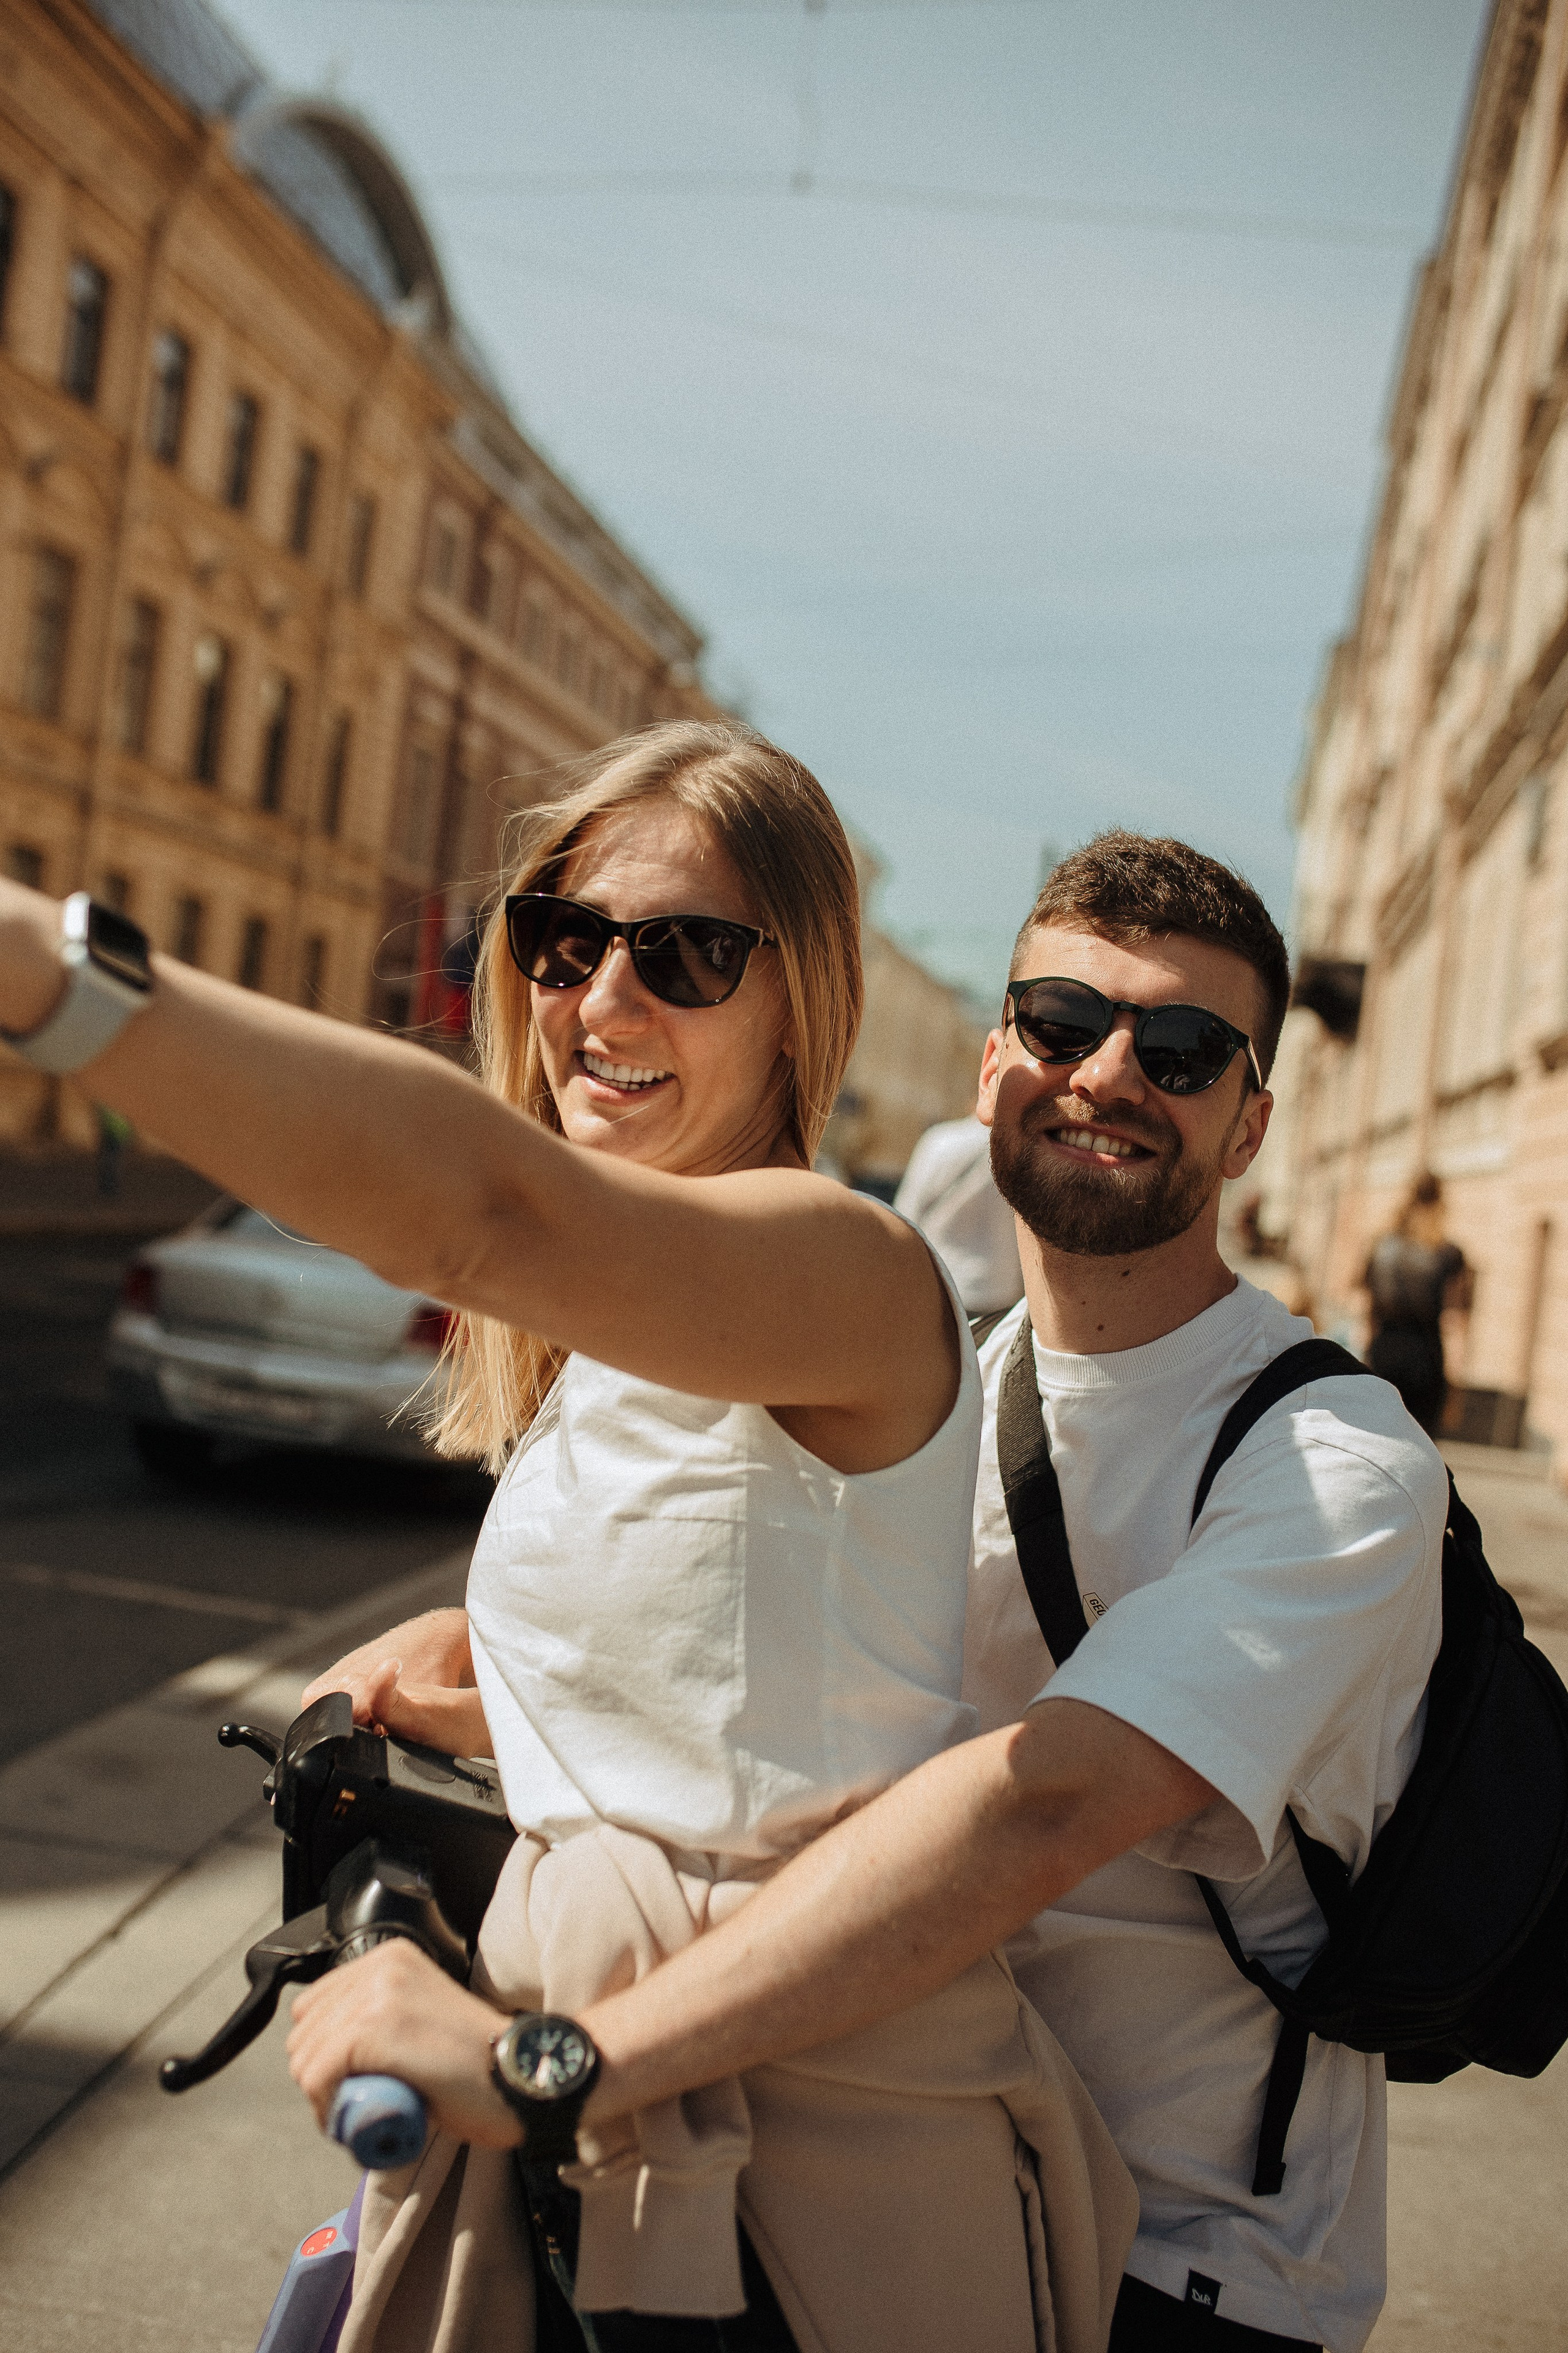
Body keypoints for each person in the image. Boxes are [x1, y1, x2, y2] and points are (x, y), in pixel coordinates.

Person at [0, 725, 1133, 2353]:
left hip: (798, 2161)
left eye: (685, 955)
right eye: (563, 939)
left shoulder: (845, 1262)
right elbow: (768, 1672)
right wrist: (499, 1680)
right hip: (579, 2100)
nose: (604, 1000)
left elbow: (482, 1208)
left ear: (799, 998)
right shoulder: (612, 1333)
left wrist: (51, 976)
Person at [295, 832, 1449, 2353]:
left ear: (1247, 1126)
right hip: (876, 2164)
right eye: (1058, 1022)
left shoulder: (1332, 1463)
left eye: (1179, 1050)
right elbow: (790, 1713)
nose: (1106, 1073)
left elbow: (1040, 1804)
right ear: (992, 1066)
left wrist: (561, 2064)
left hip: (1184, 2261)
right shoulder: (931, 1386)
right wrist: (495, 1671)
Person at [1363, 1173, 1469, 1436]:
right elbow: (1456, 1323)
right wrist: (1455, 1388)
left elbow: (1367, 1311)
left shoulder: (1381, 1248)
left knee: (1375, 1440)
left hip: (1384, 1354)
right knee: (1419, 1447)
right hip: (1426, 1363)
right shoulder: (1449, 1255)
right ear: (1441, 1203)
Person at [894, 1109, 1025, 1314]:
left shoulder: (941, 1140)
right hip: (999, 1290)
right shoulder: (1020, 1150)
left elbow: (905, 1215)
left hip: (941, 1282)